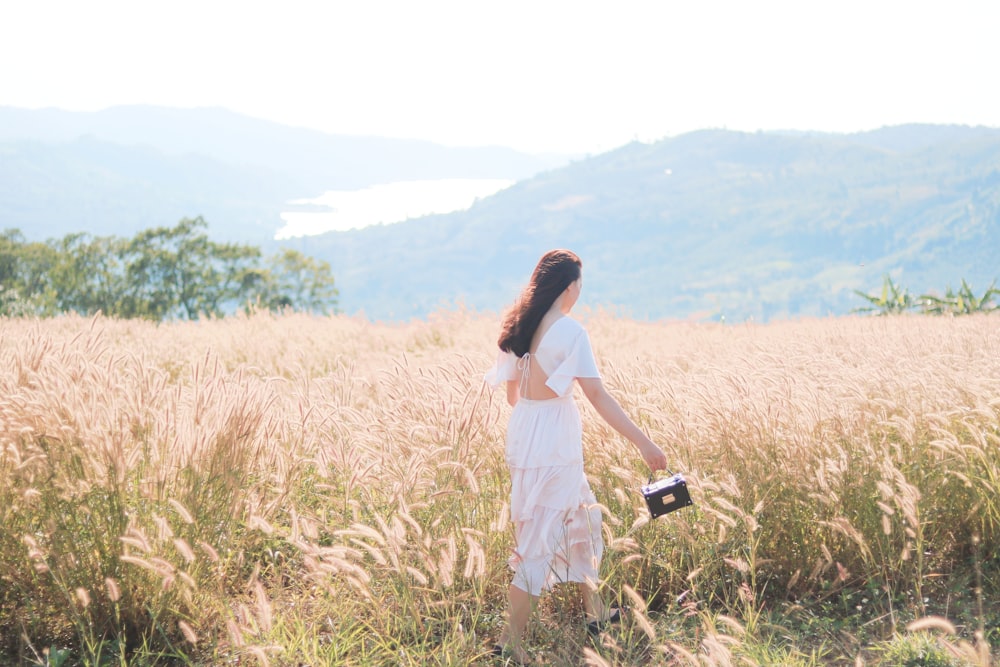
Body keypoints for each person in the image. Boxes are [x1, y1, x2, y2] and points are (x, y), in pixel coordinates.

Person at [484, 249, 668, 663]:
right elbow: (598, 395)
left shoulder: (518, 326)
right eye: (580, 284)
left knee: (584, 517)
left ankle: (596, 612)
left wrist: (542, 403)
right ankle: (509, 644)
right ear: (571, 286)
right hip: (555, 441)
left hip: (528, 434)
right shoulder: (570, 333)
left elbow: (514, 397)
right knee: (538, 542)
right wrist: (645, 443)